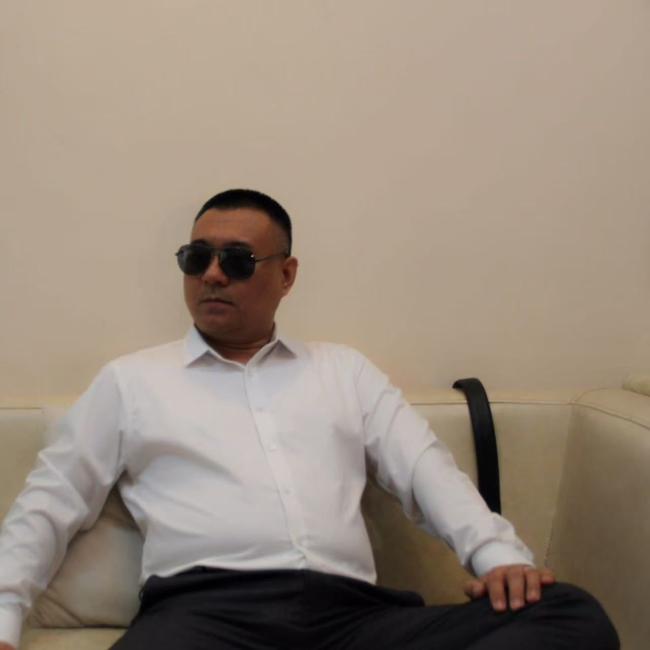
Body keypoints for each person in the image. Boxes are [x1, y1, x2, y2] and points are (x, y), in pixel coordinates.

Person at [0, 189, 619, 650]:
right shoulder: (131, 381)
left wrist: (498, 557)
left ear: (286, 274)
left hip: (352, 620)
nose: (212, 274)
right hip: (204, 619)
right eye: (197, 257)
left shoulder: (342, 370)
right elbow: (51, 501)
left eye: (237, 260)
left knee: (570, 615)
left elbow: (425, 472)